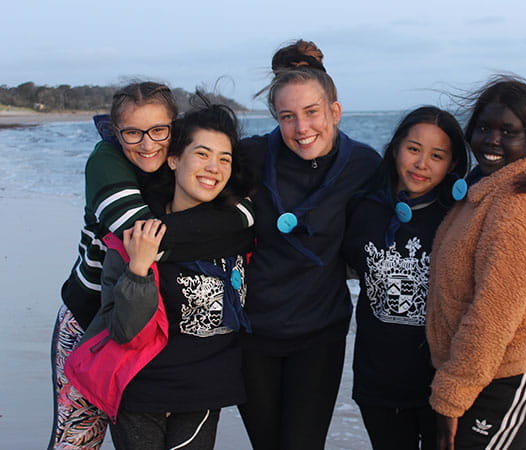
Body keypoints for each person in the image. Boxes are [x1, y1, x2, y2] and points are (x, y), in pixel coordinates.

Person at [49, 83, 255, 450]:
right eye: (133, 132)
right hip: (88, 319)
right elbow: (148, 242)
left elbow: (237, 214)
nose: (147, 144)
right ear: (116, 132)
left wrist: (241, 222)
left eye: (159, 130)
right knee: (77, 440)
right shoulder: (106, 161)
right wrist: (235, 229)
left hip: (142, 329)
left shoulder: (170, 171)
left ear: (173, 133)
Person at [237, 39, 381, 449]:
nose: (302, 129)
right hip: (253, 331)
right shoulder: (249, 156)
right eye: (287, 117)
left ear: (334, 111)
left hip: (320, 331)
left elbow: (416, 206)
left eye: (312, 113)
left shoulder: (364, 164)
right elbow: (189, 171)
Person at [426, 75, 526, 450]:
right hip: (483, 368)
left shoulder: (519, 205)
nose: (493, 140)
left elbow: (493, 314)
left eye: (508, 131)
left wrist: (450, 397)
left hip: (518, 369)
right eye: (484, 128)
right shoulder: (486, 186)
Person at [342, 106, 469, 449]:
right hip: (377, 381)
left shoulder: (458, 217)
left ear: (453, 164)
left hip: (439, 386)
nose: (421, 164)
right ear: (396, 147)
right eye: (413, 149)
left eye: (437, 155)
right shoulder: (363, 209)